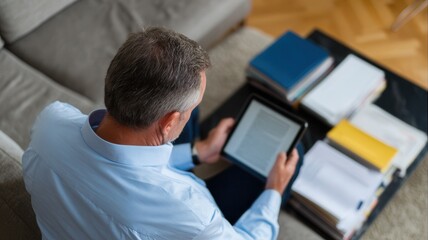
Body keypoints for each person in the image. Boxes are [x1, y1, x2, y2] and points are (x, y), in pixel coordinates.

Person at [22, 27, 299, 239]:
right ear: (168, 123)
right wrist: (274, 190)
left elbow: (119, 161)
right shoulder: (193, 217)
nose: (191, 112)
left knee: (184, 110)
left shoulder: (51, 122)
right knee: (292, 160)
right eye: (191, 108)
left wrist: (197, 151)